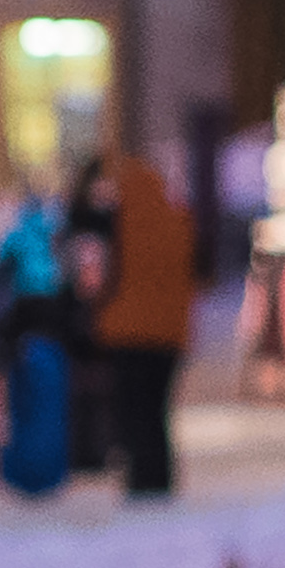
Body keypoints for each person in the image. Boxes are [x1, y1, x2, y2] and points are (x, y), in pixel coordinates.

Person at [71, 134, 200, 499]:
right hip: (170, 335)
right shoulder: (178, 222)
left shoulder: (119, 224)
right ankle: (160, 479)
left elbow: (101, 276)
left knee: (132, 412)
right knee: (158, 412)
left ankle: (140, 483)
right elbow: (196, 274)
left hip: (127, 332)